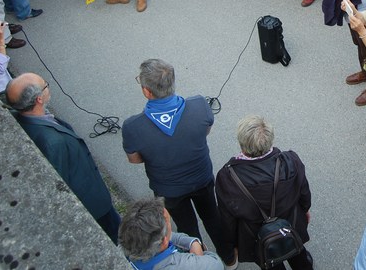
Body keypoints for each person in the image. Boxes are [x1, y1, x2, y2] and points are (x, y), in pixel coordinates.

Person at [123, 58, 234, 266]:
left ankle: (196, 259)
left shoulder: (132, 127)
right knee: (212, 217)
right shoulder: (199, 105)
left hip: (169, 190)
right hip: (201, 178)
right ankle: (229, 258)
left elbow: (135, 160)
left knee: (186, 227)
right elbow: (205, 131)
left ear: (147, 91)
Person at [6, 72, 121, 243]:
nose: (48, 86)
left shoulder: (26, 120)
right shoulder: (52, 142)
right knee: (117, 236)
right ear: (39, 99)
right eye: (45, 85)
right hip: (93, 204)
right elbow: (60, 182)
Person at [215, 115, 313, 269]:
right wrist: (305, 210)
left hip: (257, 236)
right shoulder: (290, 161)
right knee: (298, 253)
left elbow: (227, 218)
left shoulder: (227, 177)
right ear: (270, 140)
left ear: (242, 145)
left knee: (270, 262)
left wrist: (231, 243)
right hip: (291, 223)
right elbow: (304, 192)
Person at [118, 197, 224, 269]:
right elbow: (216, 263)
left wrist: (193, 242)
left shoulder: (127, 246)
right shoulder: (183, 265)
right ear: (164, 241)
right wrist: (198, 254)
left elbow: (169, 237)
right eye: (169, 226)